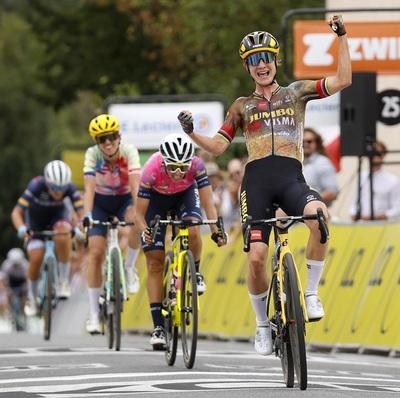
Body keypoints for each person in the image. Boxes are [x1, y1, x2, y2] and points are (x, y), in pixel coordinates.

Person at [177, 15, 351, 356]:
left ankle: (312, 293)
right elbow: (217, 146)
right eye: (253, 60)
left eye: (266, 57)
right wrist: (192, 133)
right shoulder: (242, 106)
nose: (261, 65)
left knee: (320, 217)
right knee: (257, 257)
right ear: (247, 67)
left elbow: (343, 79)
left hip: (291, 178)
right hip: (255, 183)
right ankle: (261, 325)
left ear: (276, 61)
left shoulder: (296, 92)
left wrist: (342, 36)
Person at [133, 133, 227, 349]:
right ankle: (158, 327)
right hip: (156, 202)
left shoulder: (197, 166)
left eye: (182, 168)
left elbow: (208, 203)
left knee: (193, 228)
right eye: (172, 167)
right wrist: (145, 230)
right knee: (155, 263)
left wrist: (215, 229)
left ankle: (195, 271)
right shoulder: (150, 170)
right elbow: (138, 215)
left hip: (185, 196)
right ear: (164, 162)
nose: (177, 172)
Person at [83, 114, 142, 334]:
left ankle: (128, 268)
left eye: (112, 136)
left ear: (119, 136)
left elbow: (136, 186)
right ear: (96, 142)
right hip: (100, 203)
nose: (108, 142)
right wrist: (87, 215)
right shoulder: (92, 154)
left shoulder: (129, 152)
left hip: (124, 200)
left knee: (137, 219)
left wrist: (139, 211)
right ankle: (94, 315)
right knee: (95, 254)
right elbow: (89, 189)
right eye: (102, 139)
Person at [11, 160, 85, 316]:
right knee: (36, 257)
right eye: (55, 188)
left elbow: (81, 212)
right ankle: (31, 296)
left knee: (63, 234)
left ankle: (64, 281)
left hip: (58, 218)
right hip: (35, 222)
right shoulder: (35, 186)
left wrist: (80, 226)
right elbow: (16, 212)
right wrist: (22, 228)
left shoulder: (70, 188)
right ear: (47, 182)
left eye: (62, 188)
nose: (58, 192)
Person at [349, 140, 400, 221]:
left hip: (381, 226)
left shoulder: (392, 181)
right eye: (372, 154)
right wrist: (353, 213)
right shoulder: (362, 177)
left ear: (383, 155)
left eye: (378, 153)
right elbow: (355, 202)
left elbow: (397, 209)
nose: (375, 157)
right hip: (361, 225)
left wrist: (376, 217)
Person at [303, 128, 339, 207]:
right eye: (302, 141)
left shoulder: (322, 162)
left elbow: (332, 192)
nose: (306, 144)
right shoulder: (295, 162)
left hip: (315, 213)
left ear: (317, 143)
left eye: (309, 141)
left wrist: (305, 201)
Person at [1, 248, 29, 330]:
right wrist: (6, 289)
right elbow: (3, 279)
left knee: (23, 299)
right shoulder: (6, 265)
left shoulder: (25, 265)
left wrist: (25, 288)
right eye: (14, 264)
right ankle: (9, 313)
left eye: (17, 264)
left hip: (21, 282)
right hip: (11, 282)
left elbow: (28, 279)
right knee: (8, 295)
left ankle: (25, 316)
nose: (16, 266)